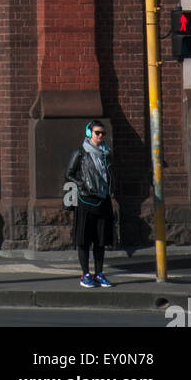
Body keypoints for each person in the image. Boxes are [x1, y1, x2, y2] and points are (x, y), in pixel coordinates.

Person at [66, 119, 116, 288]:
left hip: (103, 200)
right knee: (84, 239)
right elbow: (69, 173)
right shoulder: (80, 152)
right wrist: (81, 184)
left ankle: (99, 273)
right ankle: (85, 274)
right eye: (97, 133)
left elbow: (110, 174)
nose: (100, 136)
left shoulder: (106, 154)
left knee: (100, 240)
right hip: (86, 200)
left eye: (103, 133)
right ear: (89, 133)